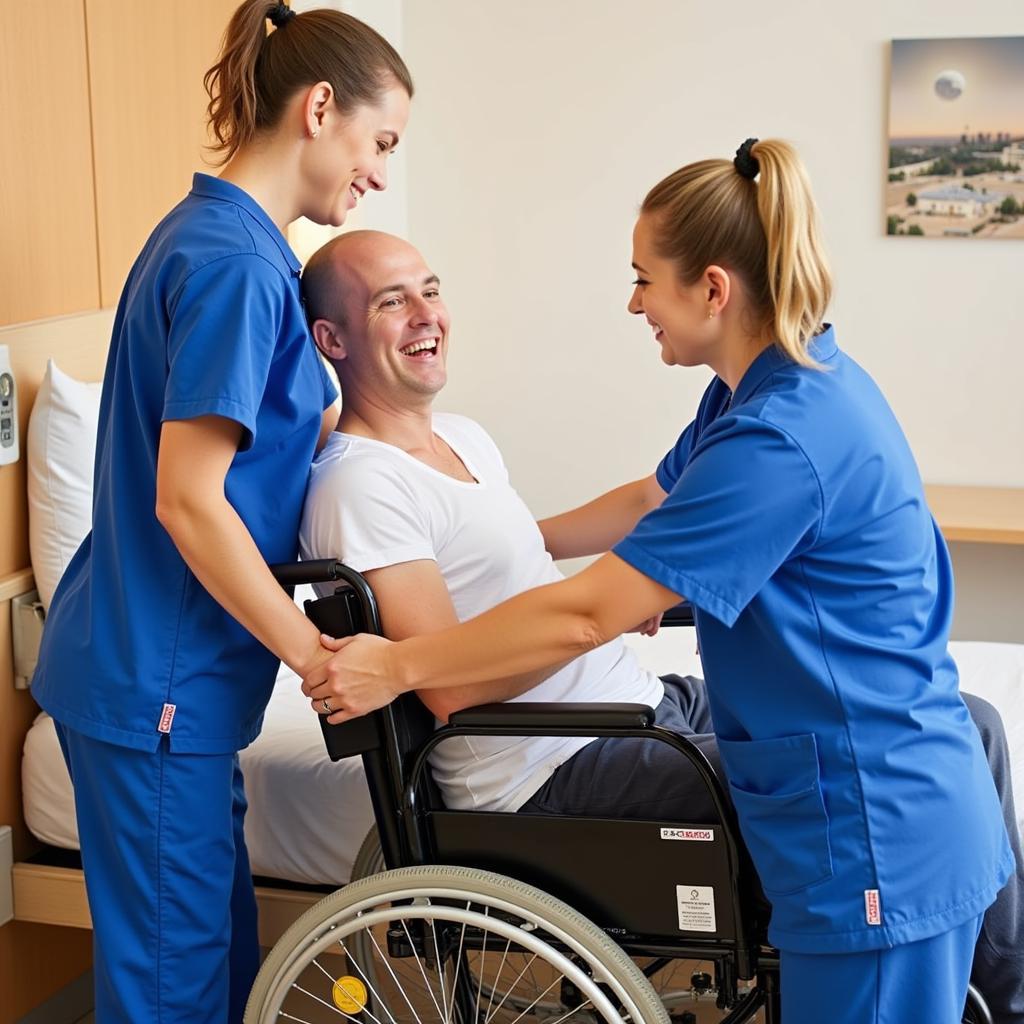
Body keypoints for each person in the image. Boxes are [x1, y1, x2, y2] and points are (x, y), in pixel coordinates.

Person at [301, 141, 1016, 1023]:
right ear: (333, 340)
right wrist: (627, 571)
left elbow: (593, 608)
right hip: (616, 754)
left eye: (645, 279)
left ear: (714, 290)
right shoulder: (779, 383)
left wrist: (399, 665)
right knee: (976, 726)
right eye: (391, 299)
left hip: (863, 807)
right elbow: (648, 503)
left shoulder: (774, 438)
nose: (633, 301)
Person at [30, 4, 411, 1021]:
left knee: (212, 971)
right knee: (177, 993)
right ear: (319, 109)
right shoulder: (238, 266)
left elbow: (274, 446)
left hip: (166, 681)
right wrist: (313, 656)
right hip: (156, 682)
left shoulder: (228, 243)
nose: (377, 172)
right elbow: (189, 502)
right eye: (380, 143)